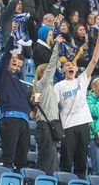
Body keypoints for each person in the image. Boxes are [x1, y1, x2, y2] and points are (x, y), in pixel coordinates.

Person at [54, 33, 99, 179]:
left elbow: (94, 60)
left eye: (72, 65)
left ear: (76, 69)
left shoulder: (82, 80)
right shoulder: (58, 86)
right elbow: (55, 109)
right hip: (67, 127)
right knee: (66, 163)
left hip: (83, 125)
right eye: (67, 65)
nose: (70, 66)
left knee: (81, 163)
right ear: (62, 70)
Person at [0, 20, 32, 171]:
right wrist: (12, 35)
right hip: (10, 118)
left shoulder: (20, 81)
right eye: (13, 60)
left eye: (18, 62)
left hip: (24, 121)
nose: (15, 62)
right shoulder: (2, 74)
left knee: (22, 161)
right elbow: (5, 57)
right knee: (9, 158)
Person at [32, 36, 62, 174]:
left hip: (51, 126)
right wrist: (57, 46)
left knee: (53, 161)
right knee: (47, 162)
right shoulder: (42, 84)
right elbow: (52, 65)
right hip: (44, 126)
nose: (49, 74)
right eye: (46, 73)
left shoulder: (50, 88)